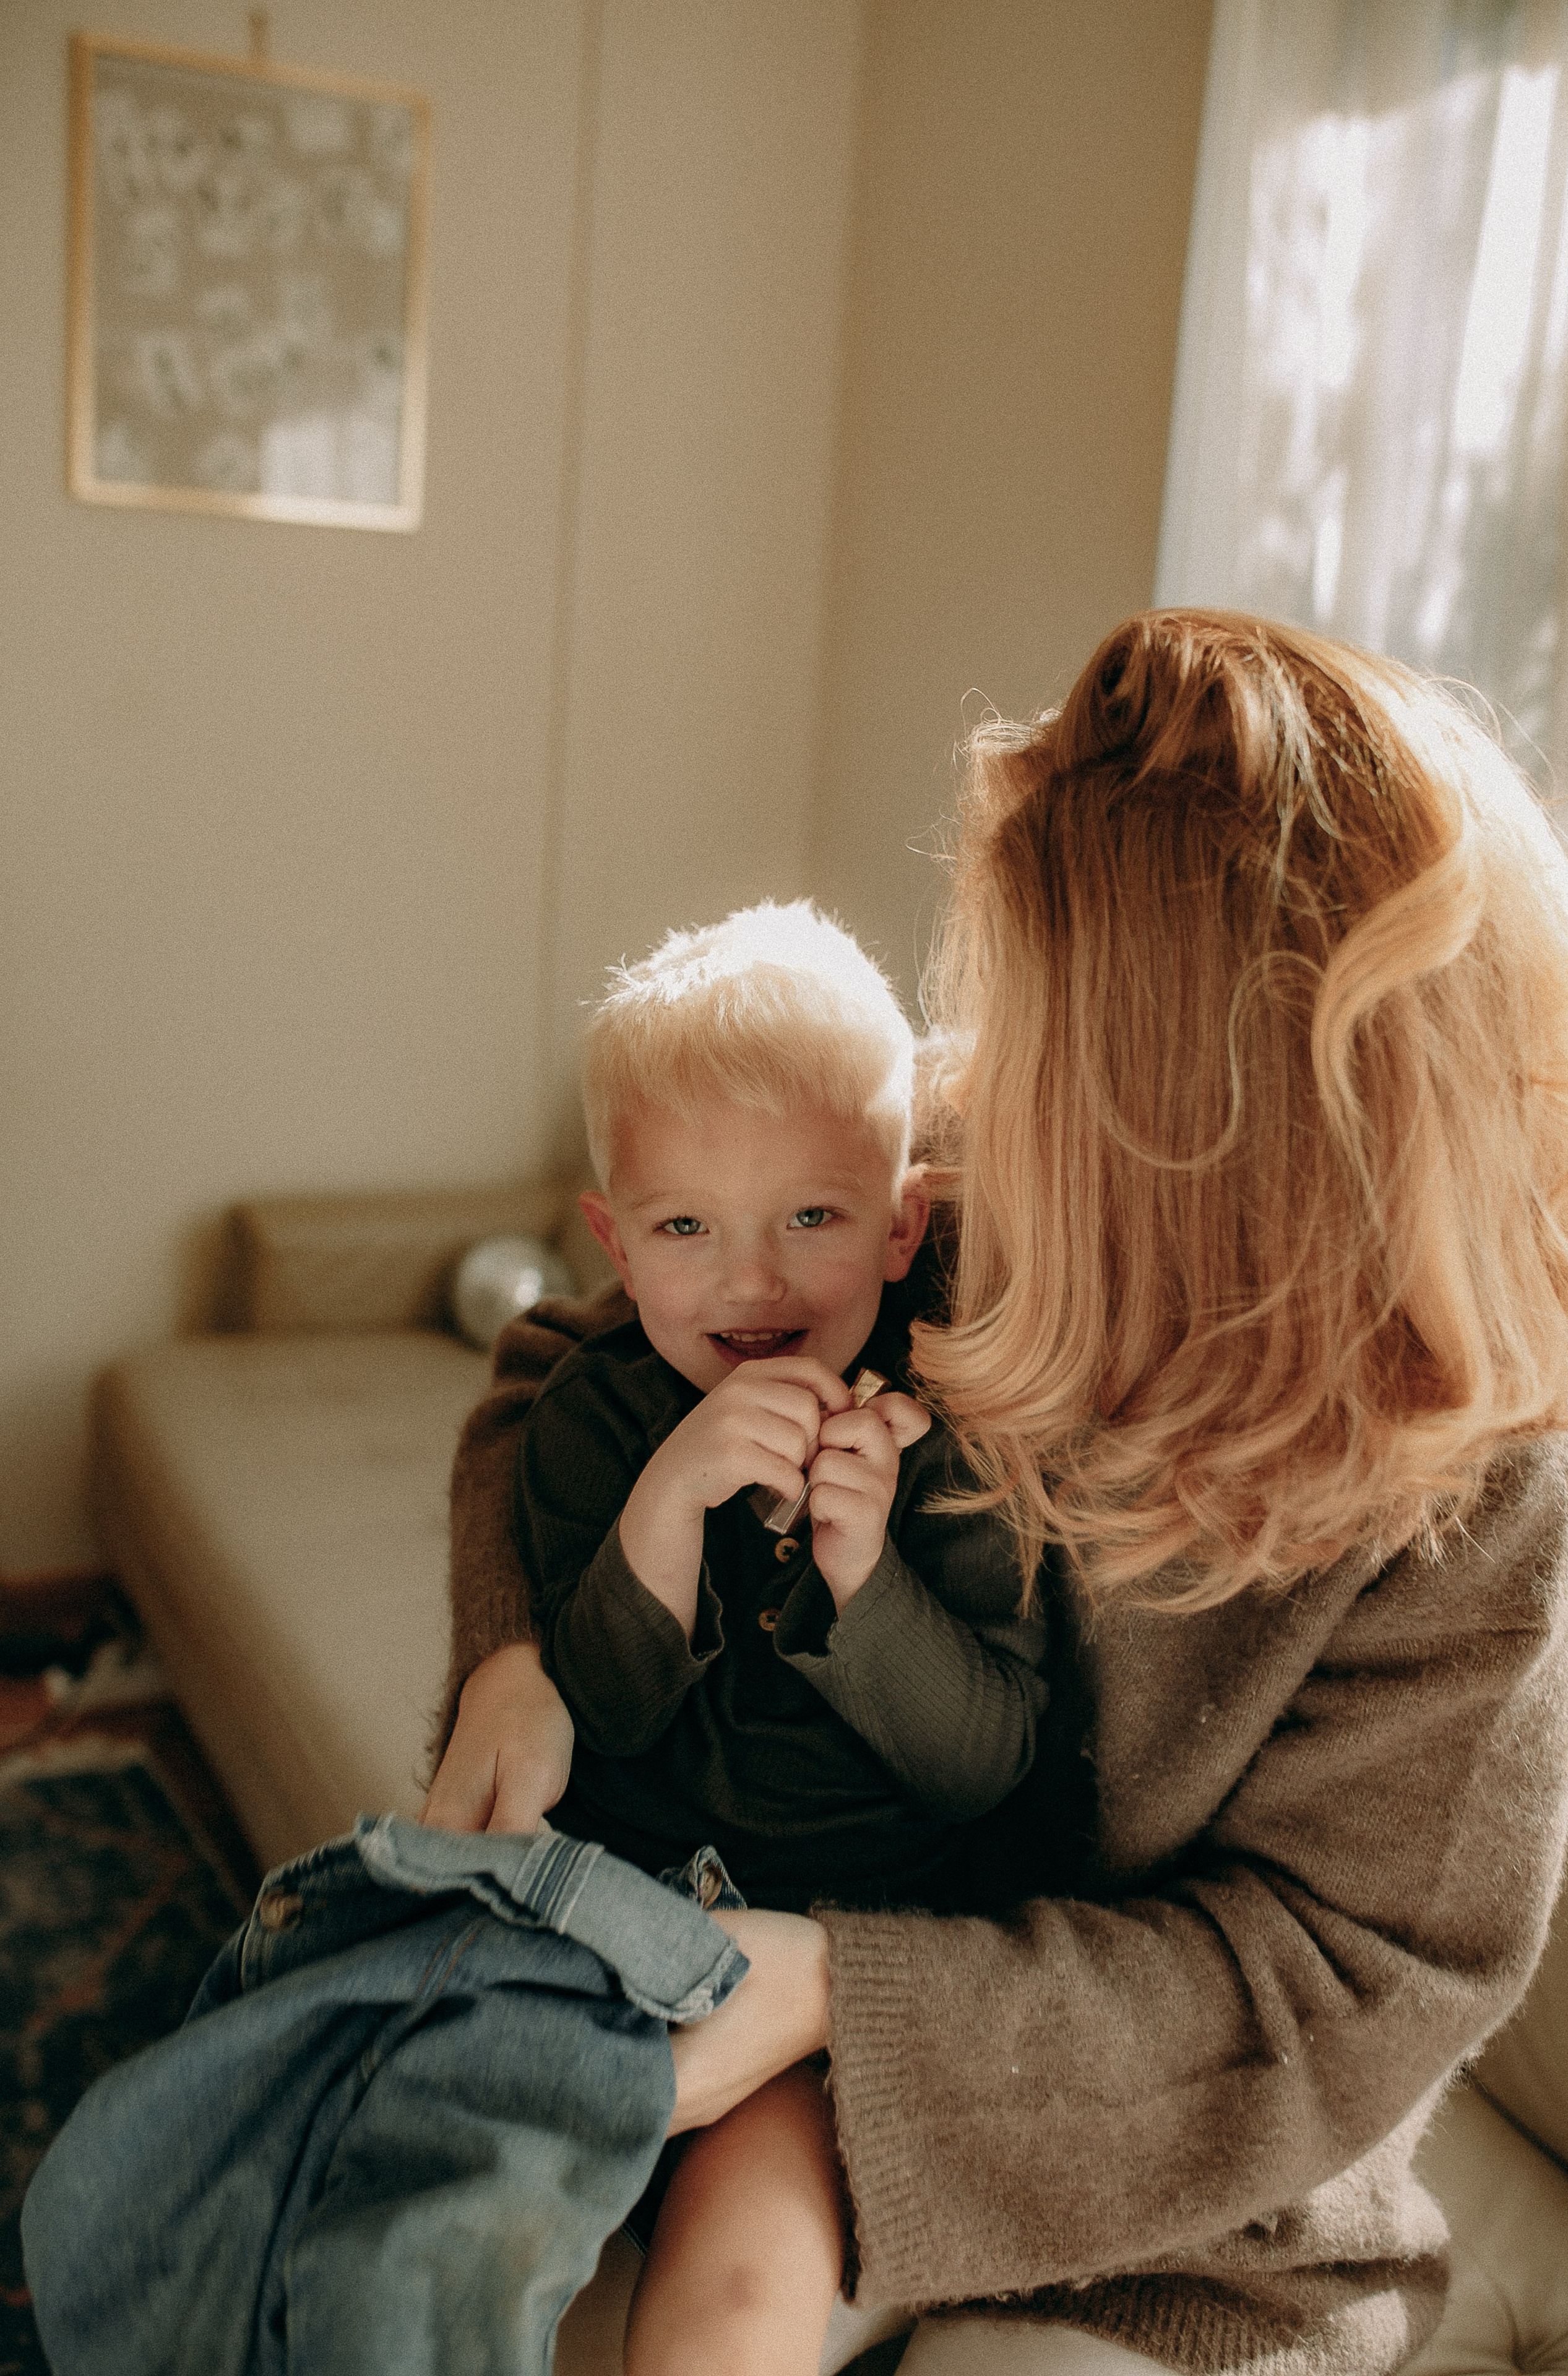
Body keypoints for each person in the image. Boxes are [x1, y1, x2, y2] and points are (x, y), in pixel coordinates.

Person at [425, 611, 1568, 2375]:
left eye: (1029, 1046)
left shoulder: (1480, 1478)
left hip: (1190, 2197)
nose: (979, 1083)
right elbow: (552, 1376)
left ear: (1214, 1130)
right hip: (796, 2026)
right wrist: (516, 1650)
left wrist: (843, 1994)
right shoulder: (971, 1208)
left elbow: (1342, 1984)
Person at [504, 900, 1046, 2376]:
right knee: (386, 2160)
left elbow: (983, 1769)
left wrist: (865, 1578)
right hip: (602, 1922)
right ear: (615, 1244)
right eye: (686, 1228)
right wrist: (665, 1505)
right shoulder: (594, 1423)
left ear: (901, 1222)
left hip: (836, 1966)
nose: (748, 1284)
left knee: (736, 2299)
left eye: (810, 1218)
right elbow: (600, 1718)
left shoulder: (945, 1452)